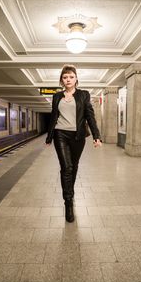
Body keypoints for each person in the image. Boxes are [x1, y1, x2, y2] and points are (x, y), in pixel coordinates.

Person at [45, 64, 102, 222]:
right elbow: (53, 116)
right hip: (60, 133)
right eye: (65, 77)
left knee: (74, 166)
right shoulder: (57, 96)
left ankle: (70, 191)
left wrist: (96, 136)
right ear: (61, 80)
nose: (68, 79)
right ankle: (68, 203)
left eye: (71, 77)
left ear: (76, 78)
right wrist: (49, 136)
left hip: (78, 136)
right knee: (67, 167)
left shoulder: (84, 95)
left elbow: (90, 116)